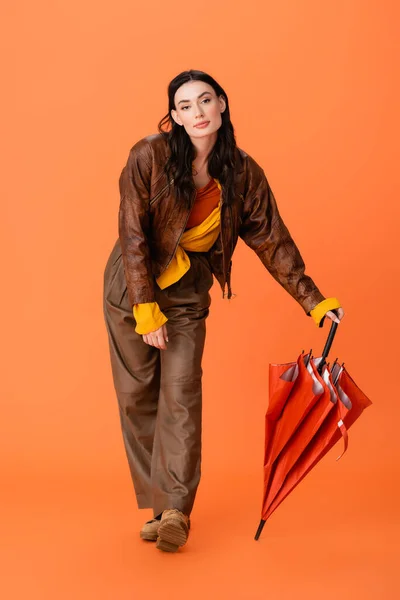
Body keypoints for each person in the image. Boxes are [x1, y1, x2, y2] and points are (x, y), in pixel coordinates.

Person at [102, 69, 345, 553]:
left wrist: (314, 300)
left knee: (181, 392)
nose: (197, 112)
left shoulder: (243, 172)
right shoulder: (146, 155)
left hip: (188, 287)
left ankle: (175, 510)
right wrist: (146, 308)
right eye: (185, 106)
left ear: (222, 105)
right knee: (136, 396)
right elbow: (132, 234)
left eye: (205, 101)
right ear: (174, 116)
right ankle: (158, 503)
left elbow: (270, 237)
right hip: (133, 283)